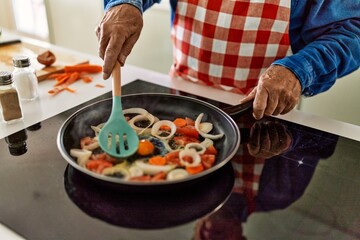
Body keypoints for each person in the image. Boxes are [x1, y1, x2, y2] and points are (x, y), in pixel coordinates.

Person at [96, 1, 360, 120]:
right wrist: (125, 3)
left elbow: (349, 31)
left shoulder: (278, 195)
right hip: (182, 99)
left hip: (264, 113)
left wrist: (300, 71)